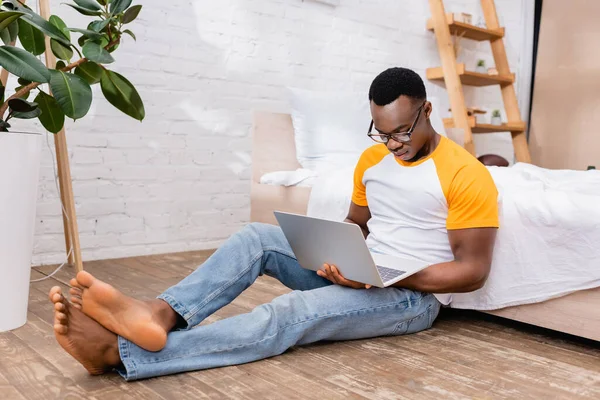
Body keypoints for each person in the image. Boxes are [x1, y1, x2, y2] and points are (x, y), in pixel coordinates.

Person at [49, 67, 499, 381]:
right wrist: (341, 258)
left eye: (401, 131)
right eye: (381, 132)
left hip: (409, 300)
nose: (393, 144)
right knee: (255, 238)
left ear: (427, 110)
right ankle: (159, 313)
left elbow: (473, 271)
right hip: (364, 274)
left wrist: (387, 276)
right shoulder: (372, 159)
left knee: (289, 314)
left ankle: (118, 353)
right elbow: (356, 223)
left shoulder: (465, 173)